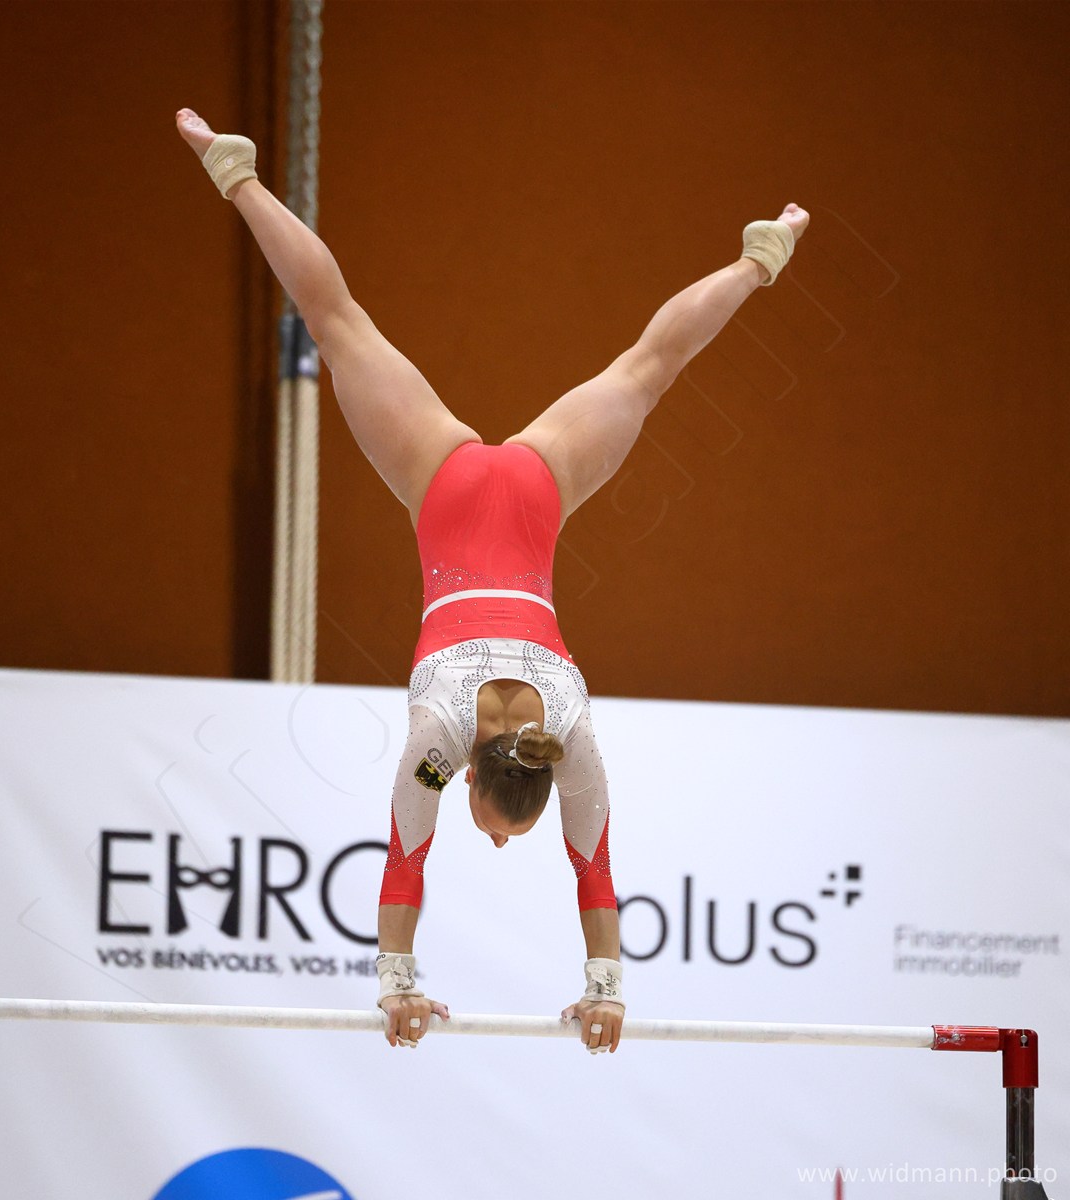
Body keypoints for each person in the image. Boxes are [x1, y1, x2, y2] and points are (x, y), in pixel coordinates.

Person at [176, 108, 807, 1055]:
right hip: (446, 491)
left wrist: (608, 989)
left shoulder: (570, 737)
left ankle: (761, 257)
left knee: (646, 369)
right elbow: (408, 857)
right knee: (338, 323)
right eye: (500, 831)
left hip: (529, 491)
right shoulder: (439, 740)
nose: (501, 840)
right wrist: (398, 985)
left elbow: (592, 871)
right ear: (475, 777)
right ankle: (237, 177)